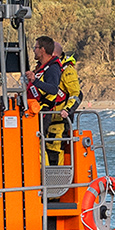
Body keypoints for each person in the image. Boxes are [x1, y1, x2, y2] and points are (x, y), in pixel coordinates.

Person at [29, 35, 80, 165]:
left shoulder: (66, 70)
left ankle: (56, 182)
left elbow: (76, 94)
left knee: (54, 151)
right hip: (45, 114)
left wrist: (67, 110)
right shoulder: (42, 67)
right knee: (40, 147)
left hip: (58, 118)